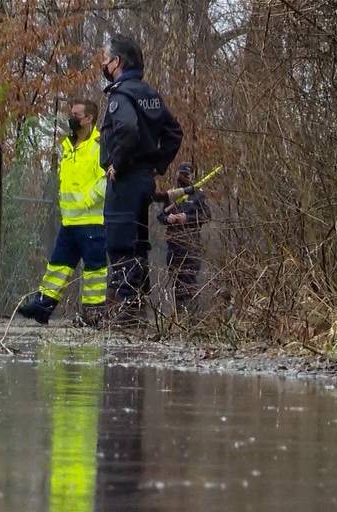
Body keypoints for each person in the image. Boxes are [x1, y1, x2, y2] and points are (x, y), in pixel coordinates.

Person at [99, 34, 185, 327]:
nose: (103, 64)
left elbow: (128, 129)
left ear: (117, 62)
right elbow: (174, 132)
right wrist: (157, 165)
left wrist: (117, 163)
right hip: (144, 180)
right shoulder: (150, 94)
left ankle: (124, 308)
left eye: (106, 58)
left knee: (121, 241)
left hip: (125, 181)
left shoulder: (121, 95)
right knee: (138, 242)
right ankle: (135, 305)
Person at [17, 98, 108, 326]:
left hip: (91, 220)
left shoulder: (99, 145)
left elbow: (106, 179)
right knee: (57, 266)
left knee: (94, 272)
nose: (72, 119)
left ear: (89, 119)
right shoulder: (67, 146)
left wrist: (88, 200)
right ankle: (42, 307)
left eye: (76, 115)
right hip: (69, 220)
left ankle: (93, 315)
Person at [157, 162, 211, 314]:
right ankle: (180, 317)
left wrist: (187, 218)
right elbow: (161, 217)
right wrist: (169, 219)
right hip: (173, 246)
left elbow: (207, 216)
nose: (184, 178)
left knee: (190, 282)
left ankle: (191, 318)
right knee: (176, 282)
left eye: (187, 175)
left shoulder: (198, 195)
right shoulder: (172, 194)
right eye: (182, 175)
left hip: (191, 245)